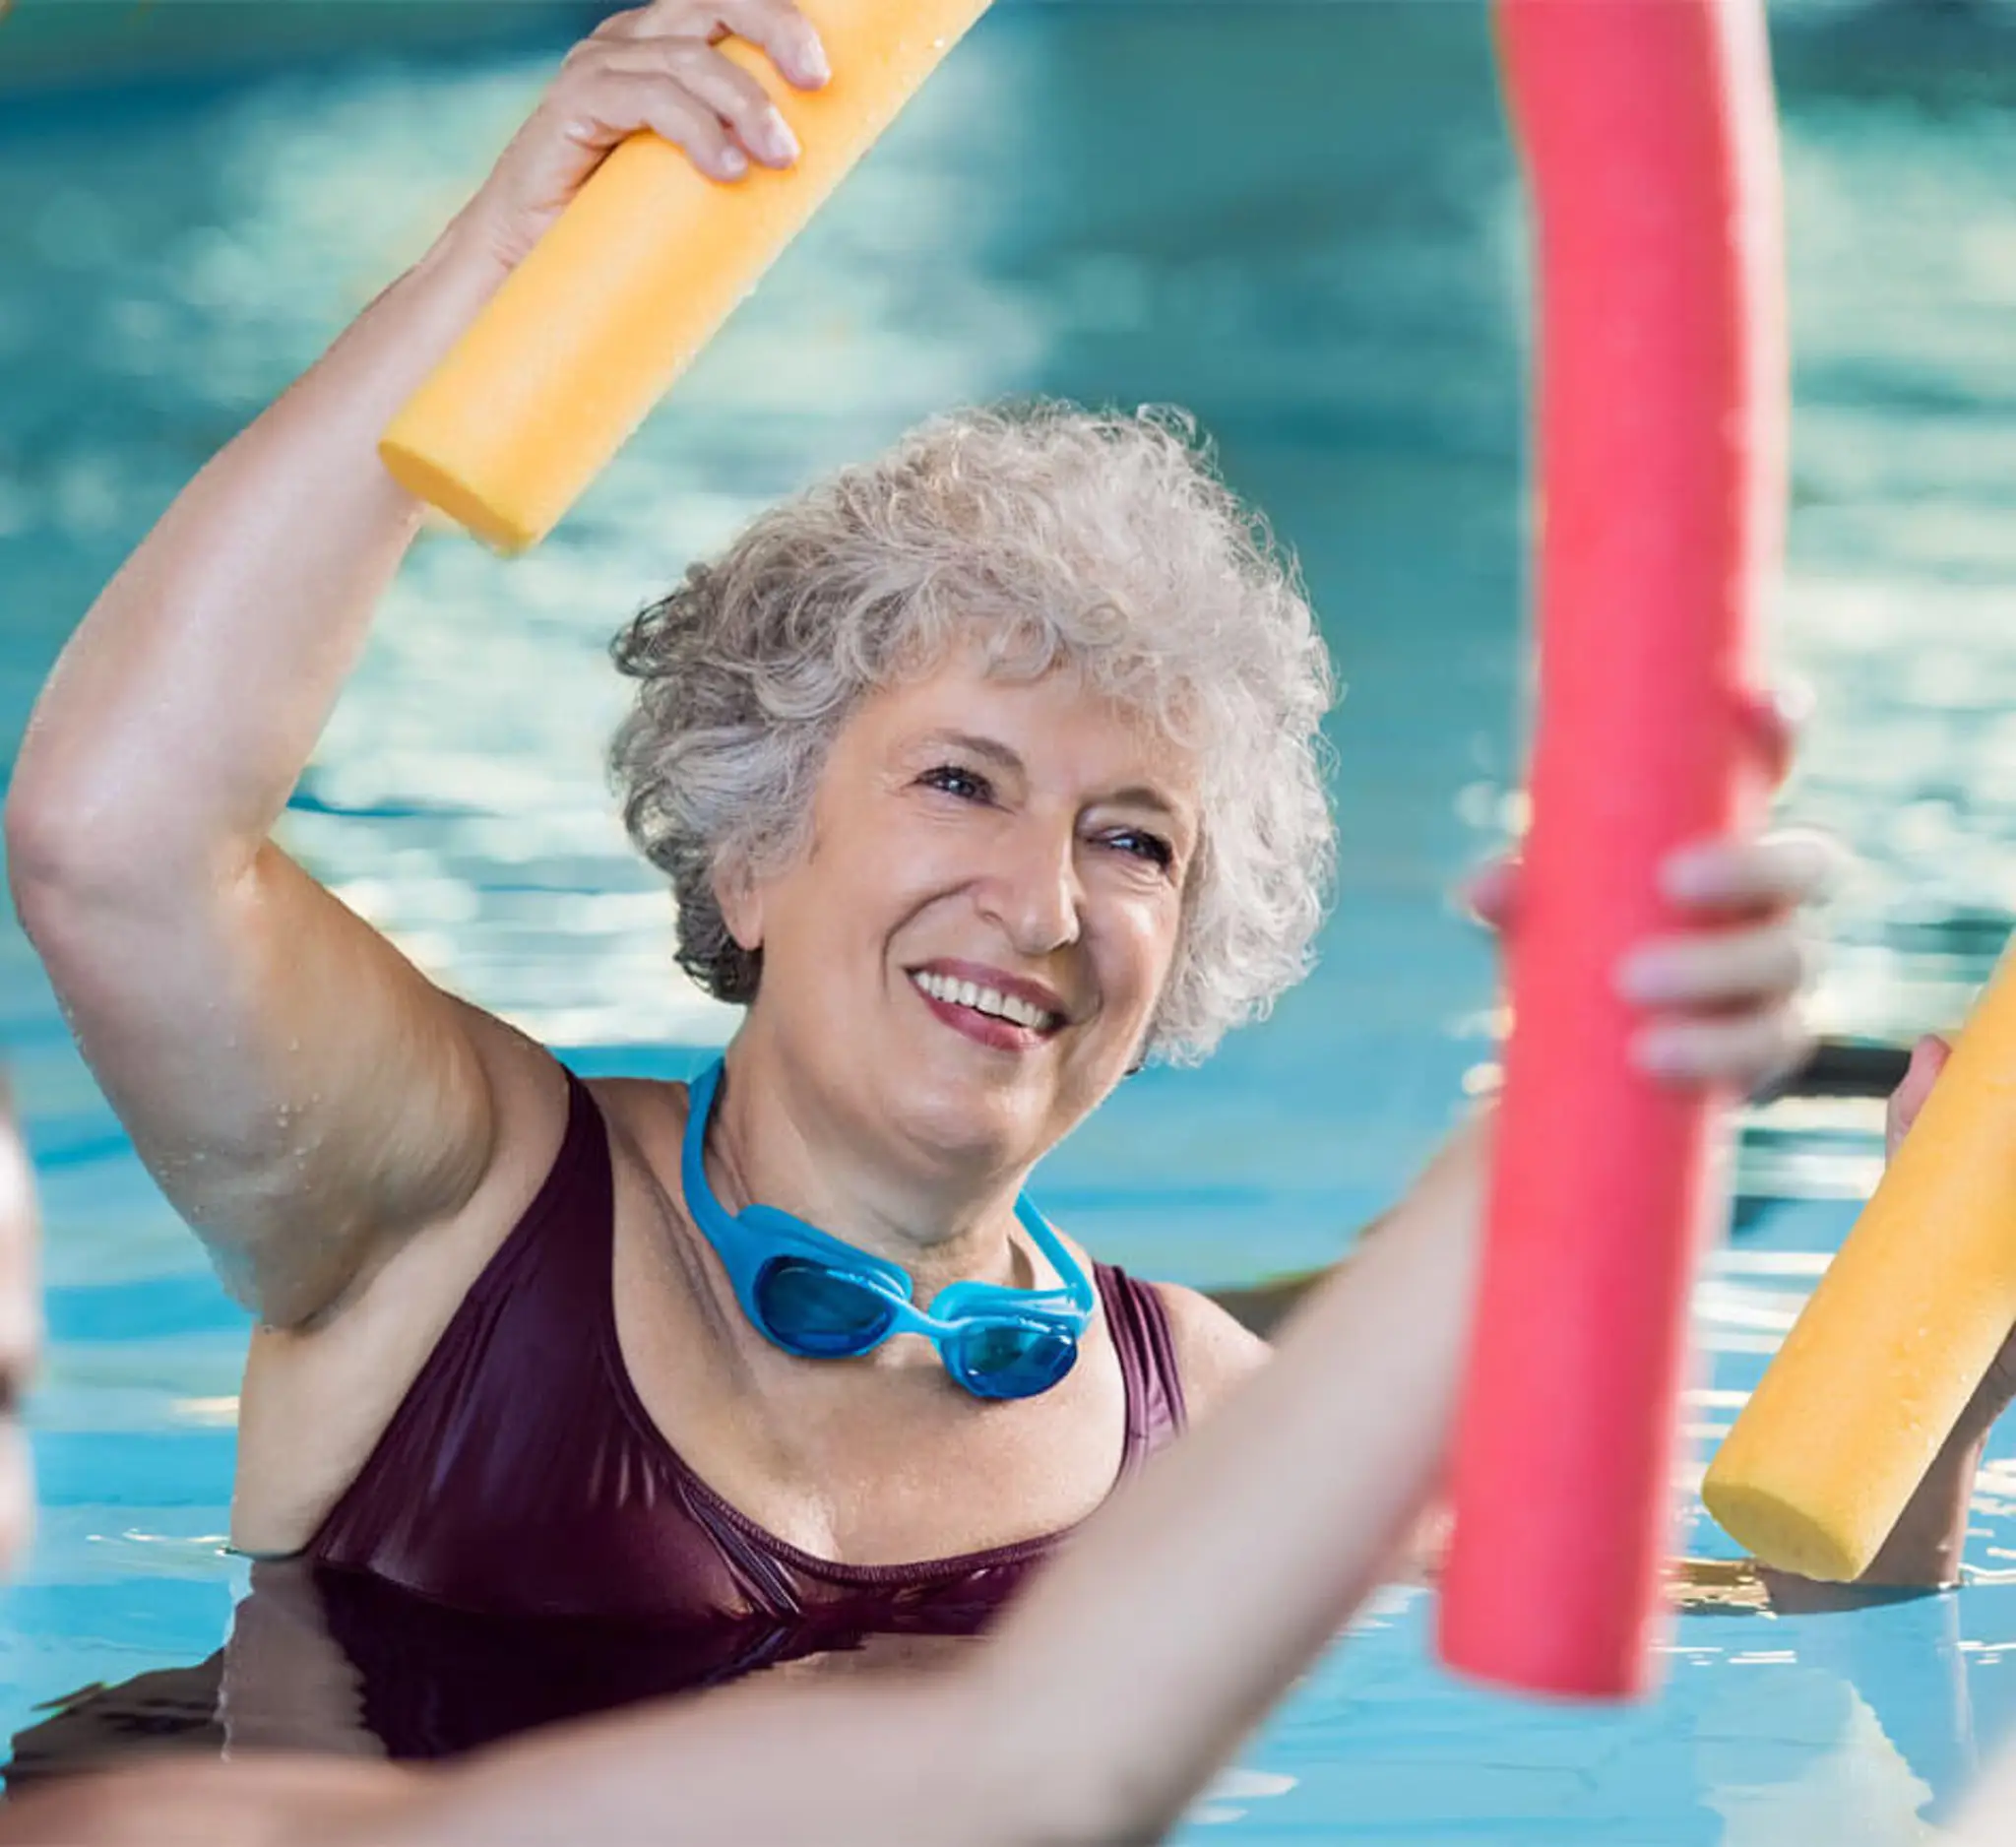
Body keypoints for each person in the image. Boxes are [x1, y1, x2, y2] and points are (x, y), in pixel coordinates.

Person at [5, 0, 1822, 1669]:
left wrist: (1969, 1298)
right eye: (960, 780)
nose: (1042, 902)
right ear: (754, 844)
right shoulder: (460, 1208)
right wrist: (497, 264)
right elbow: (114, 842)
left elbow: (1753, 1612)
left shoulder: (1192, 1407)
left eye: (1136, 843)